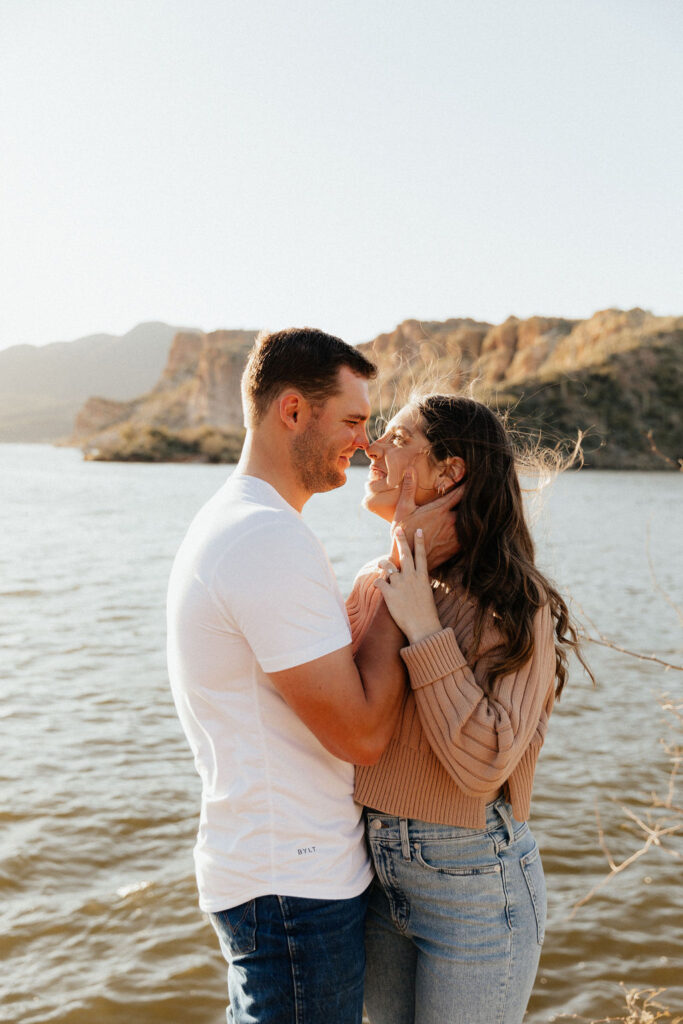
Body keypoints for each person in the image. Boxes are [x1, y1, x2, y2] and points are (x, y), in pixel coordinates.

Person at [167, 327, 411, 1024]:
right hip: (291, 888)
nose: (365, 444)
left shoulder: (245, 523)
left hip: (277, 874)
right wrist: (400, 583)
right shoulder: (264, 539)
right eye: (354, 421)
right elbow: (360, 734)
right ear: (294, 411)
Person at [346, 395, 591, 1024]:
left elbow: (482, 764)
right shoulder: (377, 581)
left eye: (397, 437)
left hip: (477, 887)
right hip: (372, 879)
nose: (372, 446)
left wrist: (425, 630)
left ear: (450, 472)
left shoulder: (513, 601)